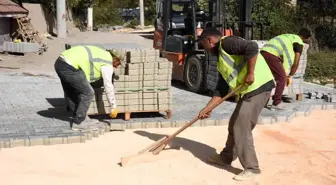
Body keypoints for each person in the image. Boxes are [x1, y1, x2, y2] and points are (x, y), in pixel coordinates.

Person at [198, 28, 275, 181]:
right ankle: (226, 157)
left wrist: (251, 73)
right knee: (234, 123)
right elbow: (220, 91)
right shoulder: (221, 60)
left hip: (259, 87)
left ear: (209, 41)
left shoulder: (227, 43)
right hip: (248, 91)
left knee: (241, 126)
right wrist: (207, 109)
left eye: (202, 44)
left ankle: (252, 169)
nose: (203, 48)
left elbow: (252, 47)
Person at [54, 45, 122, 131]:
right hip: (69, 67)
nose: (117, 66)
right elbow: (108, 85)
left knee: (72, 91)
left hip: (60, 62)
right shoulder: (107, 63)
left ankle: (82, 118)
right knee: (88, 92)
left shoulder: (102, 53)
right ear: (115, 59)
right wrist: (113, 106)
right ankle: (78, 122)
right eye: (118, 64)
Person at [261, 28, 312, 110]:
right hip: (271, 54)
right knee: (282, 79)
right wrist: (290, 75)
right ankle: (276, 103)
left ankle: (262, 99)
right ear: (306, 38)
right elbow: (296, 62)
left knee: (268, 78)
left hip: (264, 51)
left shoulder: (289, 37)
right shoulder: (298, 42)